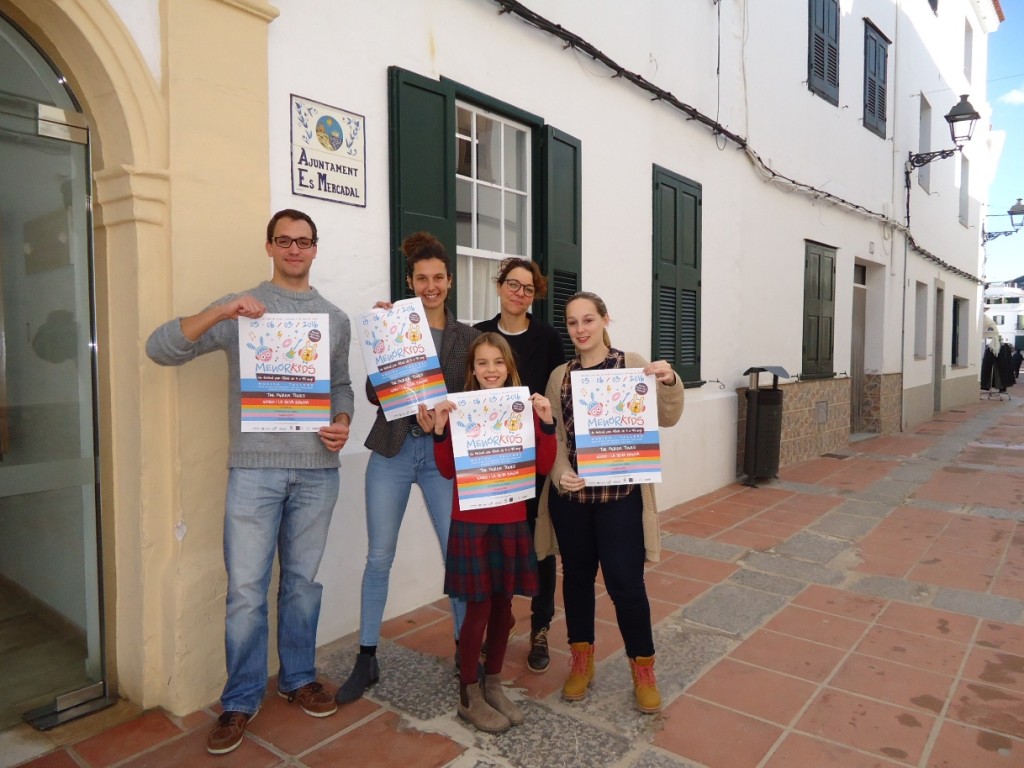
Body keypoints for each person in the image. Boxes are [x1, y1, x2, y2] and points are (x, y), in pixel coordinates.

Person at [146, 209, 354, 755]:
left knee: (303, 584)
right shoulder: (242, 308)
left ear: (315, 248)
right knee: (244, 592)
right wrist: (220, 311)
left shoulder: (333, 317)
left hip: (317, 472)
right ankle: (239, 700)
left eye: (303, 241)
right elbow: (161, 347)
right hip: (254, 469)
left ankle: (297, 677)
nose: (293, 249)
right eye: (283, 241)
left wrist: (343, 422)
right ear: (269, 246)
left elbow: (342, 385)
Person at [336, 232, 480, 704]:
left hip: (442, 457)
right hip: (394, 451)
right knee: (379, 556)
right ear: (410, 282)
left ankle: (466, 654)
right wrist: (384, 339)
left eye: (438, 278)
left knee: (454, 556)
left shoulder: (469, 337)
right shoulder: (393, 324)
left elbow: (475, 397)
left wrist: (444, 416)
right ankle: (366, 656)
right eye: (422, 278)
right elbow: (377, 395)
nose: (431, 286)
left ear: (449, 282)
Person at [535, 291, 684, 713]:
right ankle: (582, 660)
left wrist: (669, 381)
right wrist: (559, 471)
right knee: (577, 580)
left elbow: (667, 417)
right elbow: (556, 438)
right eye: (572, 322)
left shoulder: (631, 365)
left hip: (620, 497)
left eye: (588, 320)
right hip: (574, 499)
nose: (580, 329)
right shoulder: (558, 376)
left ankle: (643, 667)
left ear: (604, 320)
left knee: (626, 584)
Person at [426, 333, 556, 732]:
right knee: (478, 608)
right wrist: (442, 430)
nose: (490, 370)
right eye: (482, 363)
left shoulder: (525, 407)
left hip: (511, 517)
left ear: (508, 366)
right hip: (472, 521)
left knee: (503, 608)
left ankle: (493, 682)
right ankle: (468, 691)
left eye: (497, 362)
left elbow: (543, 465)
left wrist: (547, 422)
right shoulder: (460, 408)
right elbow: (448, 469)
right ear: (473, 369)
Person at [473, 258, 566, 673]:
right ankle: (499, 621)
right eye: (513, 284)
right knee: (497, 551)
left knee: (541, 548)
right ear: (500, 286)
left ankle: (540, 627)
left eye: (528, 289)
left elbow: (561, 391)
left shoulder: (547, 337)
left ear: (535, 294)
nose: (520, 293)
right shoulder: (479, 334)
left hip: (536, 463)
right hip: (492, 467)